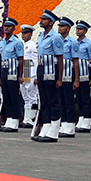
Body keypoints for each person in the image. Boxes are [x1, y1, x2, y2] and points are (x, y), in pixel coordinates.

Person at [33, 10, 63, 143]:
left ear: (51, 22)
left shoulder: (56, 37)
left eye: (44, 19)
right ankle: (46, 126)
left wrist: (60, 78)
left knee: (53, 100)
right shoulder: (40, 36)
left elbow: (60, 58)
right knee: (43, 99)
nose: (41, 21)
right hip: (41, 68)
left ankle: (54, 129)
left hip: (51, 69)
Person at [0, 18, 25, 132]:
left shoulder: (17, 42)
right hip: (4, 70)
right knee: (6, 96)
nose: (6, 28)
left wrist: (21, 75)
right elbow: (0, 59)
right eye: (5, 26)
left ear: (13, 28)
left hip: (13, 72)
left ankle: (14, 121)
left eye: (9, 26)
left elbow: (21, 60)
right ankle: (8, 120)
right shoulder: (2, 42)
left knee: (14, 97)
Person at [73, 20, 91, 133]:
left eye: (80, 29)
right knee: (79, 97)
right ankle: (81, 118)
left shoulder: (89, 44)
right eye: (77, 29)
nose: (78, 31)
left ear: (85, 31)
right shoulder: (74, 42)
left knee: (85, 97)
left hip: (85, 71)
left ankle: (87, 121)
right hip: (76, 72)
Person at [20, 24, 38, 128]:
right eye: (22, 33)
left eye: (26, 33)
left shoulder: (33, 45)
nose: (23, 35)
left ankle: (32, 118)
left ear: (31, 34)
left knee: (32, 95)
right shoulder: (21, 44)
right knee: (25, 95)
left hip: (30, 70)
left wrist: (35, 76)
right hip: (24, 71)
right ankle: (26, 118)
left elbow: (35, 61)